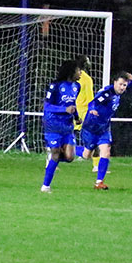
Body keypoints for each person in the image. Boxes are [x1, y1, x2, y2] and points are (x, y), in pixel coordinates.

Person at [80, 70, 132, 190]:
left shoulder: (118, 91)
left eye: (124, 85)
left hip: (104, 128)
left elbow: (127, 84)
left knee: (106, 151)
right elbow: (93, 102)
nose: (122, 87)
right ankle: (66, 149)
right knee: (86, 155)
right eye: (120, 84)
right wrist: (92, 109)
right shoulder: (107, 93)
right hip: (91, 126)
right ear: (114, 82)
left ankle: (99, 182)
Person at [40, 59, 81, 193]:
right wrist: (64, 110)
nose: (80, 73)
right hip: (53, 124)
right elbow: (47, 106)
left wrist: (76, 117)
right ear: (71, 71)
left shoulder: (77, 86)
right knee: (56, 154)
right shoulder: (55, 86)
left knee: (69, 157)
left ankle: (54, 155)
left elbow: (72, 104)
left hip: (67, 125)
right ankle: (45, 186)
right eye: (78, 70)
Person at [73, 54, 99, 174]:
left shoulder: (70, 77)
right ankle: (96, 165)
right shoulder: (87, 79)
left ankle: (52, 162)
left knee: (62, 138)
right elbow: (90, 99)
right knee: (95, 138)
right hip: (83, 113)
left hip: (70, 111)